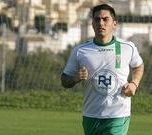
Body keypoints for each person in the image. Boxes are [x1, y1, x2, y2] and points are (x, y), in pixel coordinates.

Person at [61, 4, 144, 135]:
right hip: (91, 115)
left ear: (115, 24)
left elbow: (138, 65)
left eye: (105, 19)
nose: (101, 23)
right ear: (92, 24)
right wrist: (75, 78)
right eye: (97, 19)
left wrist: (134, 84)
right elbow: (64, 80)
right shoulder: (80, 51)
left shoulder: (128, 47)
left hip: (118, 114)